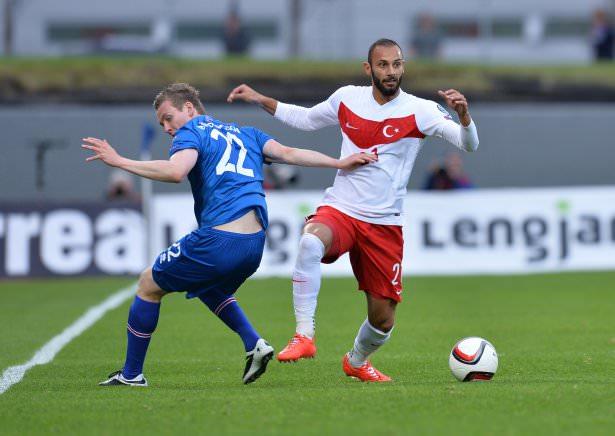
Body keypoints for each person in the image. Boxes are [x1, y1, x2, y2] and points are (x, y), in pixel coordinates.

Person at [83, 83, 376, 387]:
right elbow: (289, 153)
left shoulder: (190, 131)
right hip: (254, 246)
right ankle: (254, 343)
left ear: (189, 108)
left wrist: (119, 161)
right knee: (208, 286)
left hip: (220, 239)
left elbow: (175, 171)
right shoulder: (247, 134)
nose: (167, 128)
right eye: (162, 125)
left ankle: (132, 374)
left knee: (148, 284)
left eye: (168, 118)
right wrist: (338, 162)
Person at [227, 38, 479, 382]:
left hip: (384, 223)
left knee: (383, 319)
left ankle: (357, 361)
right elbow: (305, 119)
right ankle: (304, 335)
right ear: (368, 68)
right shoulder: (347, 98)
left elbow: (468, 144)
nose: (391, 72)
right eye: (383, 65)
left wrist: (464, 117)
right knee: (310, 241)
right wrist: (260, 99)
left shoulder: (420, 110)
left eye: (396, 64)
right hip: (341, 208)